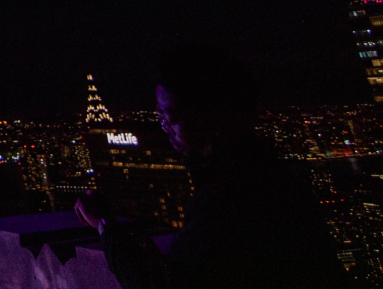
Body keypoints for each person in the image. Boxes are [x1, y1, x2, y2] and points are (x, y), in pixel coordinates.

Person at [74, 44, 350, 289]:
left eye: (171, 117)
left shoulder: (231, 200)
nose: (166, 129)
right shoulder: (270, 178)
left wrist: (104, 225)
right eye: (160, 118)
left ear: (212, 119)